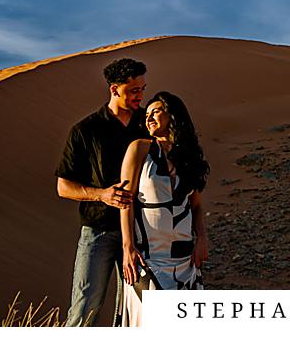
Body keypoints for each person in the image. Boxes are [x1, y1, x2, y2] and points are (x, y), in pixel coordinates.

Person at [55, 58, 148, 327]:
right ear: (114, 89)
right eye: (133, 90)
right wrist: (102, 194)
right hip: (99, 231)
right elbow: (63, 186)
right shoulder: (85, 131)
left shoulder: (149, 124)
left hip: (144, 233)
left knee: (141, 311)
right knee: (85, 310)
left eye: (142, 89)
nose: (140, 96)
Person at [118, 91, 210, 326]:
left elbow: (196, 205)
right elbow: (125, 201)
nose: (148, 118)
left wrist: (201, 238)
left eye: (155, 111)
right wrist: (127, 247)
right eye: (146, 114)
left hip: (184, 260)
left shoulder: (188, 158)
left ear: (172, 115)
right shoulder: (140, 149)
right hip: (147, 258)